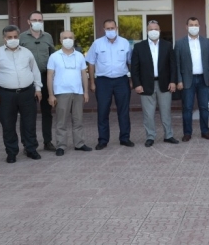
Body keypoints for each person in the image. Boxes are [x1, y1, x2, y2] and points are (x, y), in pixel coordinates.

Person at [0, 25, 43, 163]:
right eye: (9, 37)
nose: (13, 39)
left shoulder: (26, 52)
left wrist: (38, 88)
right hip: (5, 94)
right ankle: (11, 152)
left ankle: (31, 149)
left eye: (15, 37)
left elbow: (35, 71)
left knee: (29, 123)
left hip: (27, 93)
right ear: (4, 38)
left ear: (19, 37)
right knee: (7, 124)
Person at [86, 19, 133, 150]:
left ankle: (125, 138)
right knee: (102, 111)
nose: (110, 30)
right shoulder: (97, 43)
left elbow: (130, 62)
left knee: (123, 111)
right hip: (103, 81)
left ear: (116, 28)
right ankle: (103, 140)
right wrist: (92, 82)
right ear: (104, 29)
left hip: (121, 80)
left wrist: (131, 80)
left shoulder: (125, 43)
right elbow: (91, 63)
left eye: (112, 28)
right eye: (108, 28)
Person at [131, 20, 179, 147]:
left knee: (166, 112)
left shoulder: (167, 45)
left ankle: (168, 135)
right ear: (147, 31)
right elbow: (134, 68)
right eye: (151, 29)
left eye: (156, 29)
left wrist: (173, 81)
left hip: (164, 84)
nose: (153, 31)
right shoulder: (139, 47)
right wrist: (137, 84)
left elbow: (173, 66)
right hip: (145, 85)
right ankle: (150, 136)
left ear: (160, 31)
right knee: (148, 114)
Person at [46, 31, 92, 156]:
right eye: (65, 38)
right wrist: (51, 94)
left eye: (70, 37)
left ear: (74, 39)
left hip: (77, 92)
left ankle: (79, 144)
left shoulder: (79, 56)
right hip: (61, 93)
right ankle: (61, 146)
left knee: (78, 120)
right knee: (61, 122)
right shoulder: (54, 56)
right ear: (60, 40)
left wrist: (85, 92)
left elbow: (84, 74)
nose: (68, 40)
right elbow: (50, 76)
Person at [19, 11, 56, 152]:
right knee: (28, 113)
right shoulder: (21, 37)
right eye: (34, 20)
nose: (37, 22)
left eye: (40, 20)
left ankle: (48, 141)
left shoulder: (48, 37)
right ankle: (27, 143)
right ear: (28, 21)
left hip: (45, 77)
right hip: (27, 78)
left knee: (47, 111)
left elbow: (53, 56)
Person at [175, 17, 209, 141]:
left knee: (204, 107)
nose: (194, 27)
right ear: (186, 27)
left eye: (196, 25)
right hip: (187, 80)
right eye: (191, 25)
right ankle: (187, 133)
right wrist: (179, 80)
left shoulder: (206, 42)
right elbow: (177, 64)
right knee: (187, 108)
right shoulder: (179, 43)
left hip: (203, 79)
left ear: (199, 26)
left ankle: (205, 131)